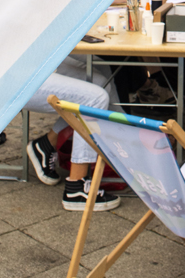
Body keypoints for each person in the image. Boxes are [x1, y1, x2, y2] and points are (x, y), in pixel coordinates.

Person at [25, 64, 121, 211]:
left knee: (101, 83)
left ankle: (47, 143)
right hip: (14, 78)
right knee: (95, 98)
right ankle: (76, 188)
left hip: (37, 65)